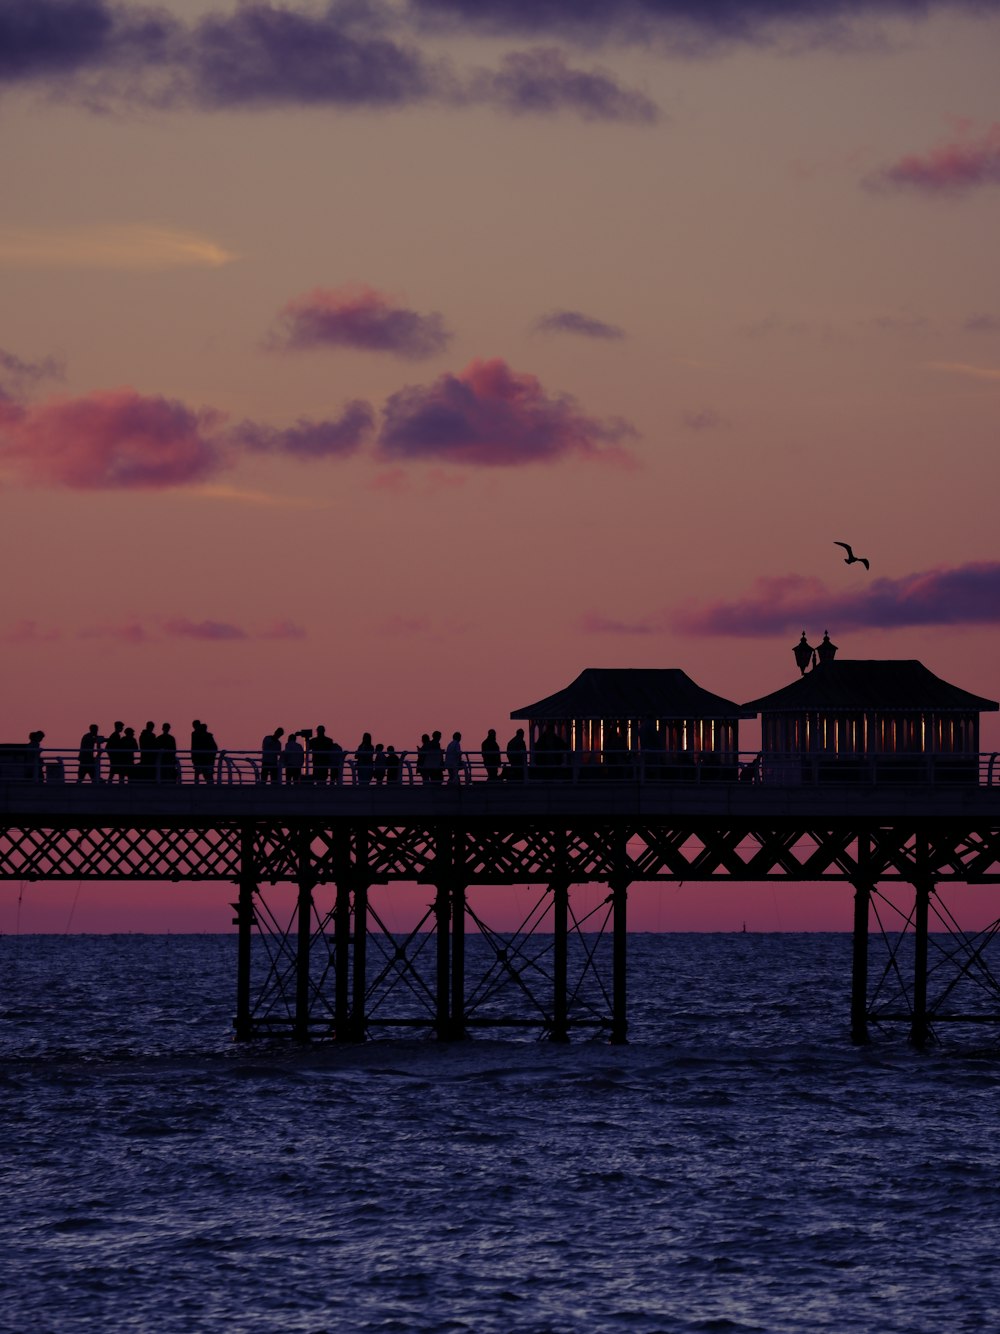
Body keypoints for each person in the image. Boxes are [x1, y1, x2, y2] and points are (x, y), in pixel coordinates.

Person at [191, 720, 217, 785]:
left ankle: (197, 785)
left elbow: (193, 747)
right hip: (206, 759)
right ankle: (210, 786)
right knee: (207, 775)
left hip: (201, 759)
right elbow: (214, 747)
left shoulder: (195, 734)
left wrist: (193, 758)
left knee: (200, 773)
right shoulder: (208, 736)